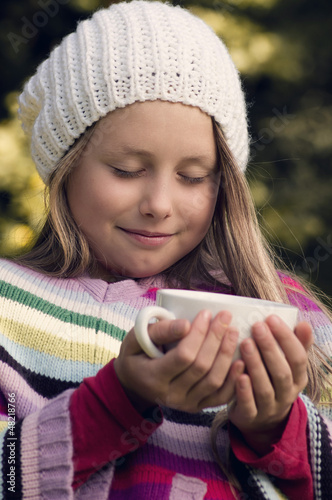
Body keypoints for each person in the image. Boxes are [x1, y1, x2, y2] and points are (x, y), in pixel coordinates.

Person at [0, 1, 331, 498]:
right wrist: (119, 401)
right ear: (64, 166)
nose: (158, 204)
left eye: (193, 177)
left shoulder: (285, 315)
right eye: (127, 170)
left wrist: (276, 426)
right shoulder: (8, 304)